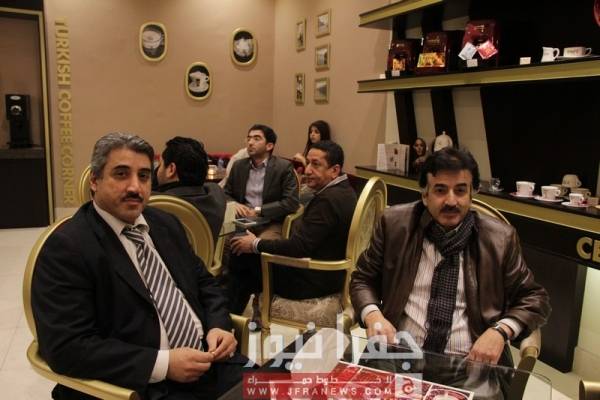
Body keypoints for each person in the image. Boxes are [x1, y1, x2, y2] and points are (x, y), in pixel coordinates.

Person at [31, 133, 247, 399]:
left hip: (213, 363)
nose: (135, 187)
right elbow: (67, 347)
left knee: (283, 386)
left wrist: (218, 326)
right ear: (95, 181)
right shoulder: (67, 247)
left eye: (144, 176)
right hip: (143, 386)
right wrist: (164, 364)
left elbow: (205, 283)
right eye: (121, 174)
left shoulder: (166, 223)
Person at [350, 147, 550, 367]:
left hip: (470, 363)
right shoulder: (395, 225)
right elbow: (363, 279)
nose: (451, 201)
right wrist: (373, 314)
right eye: (440, 190)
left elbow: (534, 299)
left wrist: (500, 331)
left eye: (460, 190)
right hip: (396, 353)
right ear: (425, 195)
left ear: (472, 194)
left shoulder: (500, 239)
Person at [228, 140, 357, 314]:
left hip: (314, 279)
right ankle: (240, 314)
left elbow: (298, 247)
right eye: (308, 162)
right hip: (334, 274)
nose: (308, 170)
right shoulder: (346, 190)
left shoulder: (327, 200)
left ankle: (229, 317)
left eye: (316, 164)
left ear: (334, 170)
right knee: (246, 271)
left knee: (242, 253)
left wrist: (255, 244)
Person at [224, 124, 299, 237]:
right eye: (249, 138)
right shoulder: (239, 166)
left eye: (256, 139)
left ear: (269, 146)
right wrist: (234, 204)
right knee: (222, 241)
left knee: (264, 242)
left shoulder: (283, 167)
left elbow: (291, 202)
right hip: (242, 220)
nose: (250, 143)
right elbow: (225, 193)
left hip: (271, 222)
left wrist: (259, 210)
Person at [154, 136, 226, 245]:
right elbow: (211, 186)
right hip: (206, 256)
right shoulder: (217, 195)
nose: (158, 170)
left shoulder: (155, 203)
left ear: (171, 169)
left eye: (160, 165)